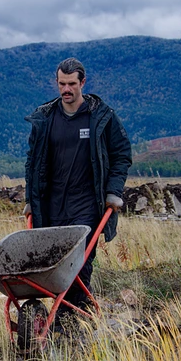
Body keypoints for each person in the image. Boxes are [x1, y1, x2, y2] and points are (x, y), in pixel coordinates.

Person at [23, 57, 132, 327]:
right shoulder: (46, 118)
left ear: (83, 83)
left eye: (72, 84)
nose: (66, 89)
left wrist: (114, 191)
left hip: (87, 203)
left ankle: (66, 323)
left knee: (79, 265)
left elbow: (122, 154)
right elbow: (32, 161)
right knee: (57, 265)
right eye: (62, 83)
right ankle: (78, 316)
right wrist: (30, 198)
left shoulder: (100, 117)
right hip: (52, 205)